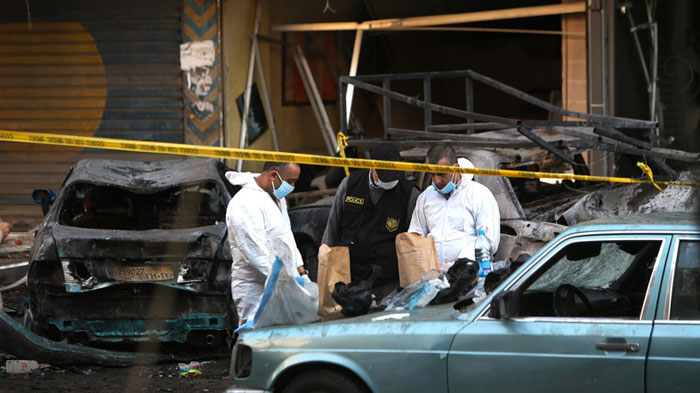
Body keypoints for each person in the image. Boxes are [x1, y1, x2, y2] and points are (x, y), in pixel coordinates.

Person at [322, 143, 420, 290]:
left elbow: (413, 243)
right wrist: (325, 265)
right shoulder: (350, 184)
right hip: (349, 277)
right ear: (372, 167)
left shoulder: (409, 194)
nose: (391, 181)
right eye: (386, 176)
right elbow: (332, 228)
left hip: (387, 282)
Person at [226, 162, 306, 327]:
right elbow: (257, 255)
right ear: (273, 175)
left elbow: (287, 236)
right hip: (256, 291)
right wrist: (289, 284)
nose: (293, 186)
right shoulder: (243, 204)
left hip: (283, 284)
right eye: (290, 181)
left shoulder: (277, 198)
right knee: (256, 344)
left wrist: (301, 272)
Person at [408, 144, 500, 271]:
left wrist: (455, 265)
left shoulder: (479, 195)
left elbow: (489, 242)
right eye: (431, 174)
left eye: (441, 174)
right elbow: (415, 236)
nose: (436, 180)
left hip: (469, 276)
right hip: (434, 279)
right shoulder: (425, 198)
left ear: (455, 168)